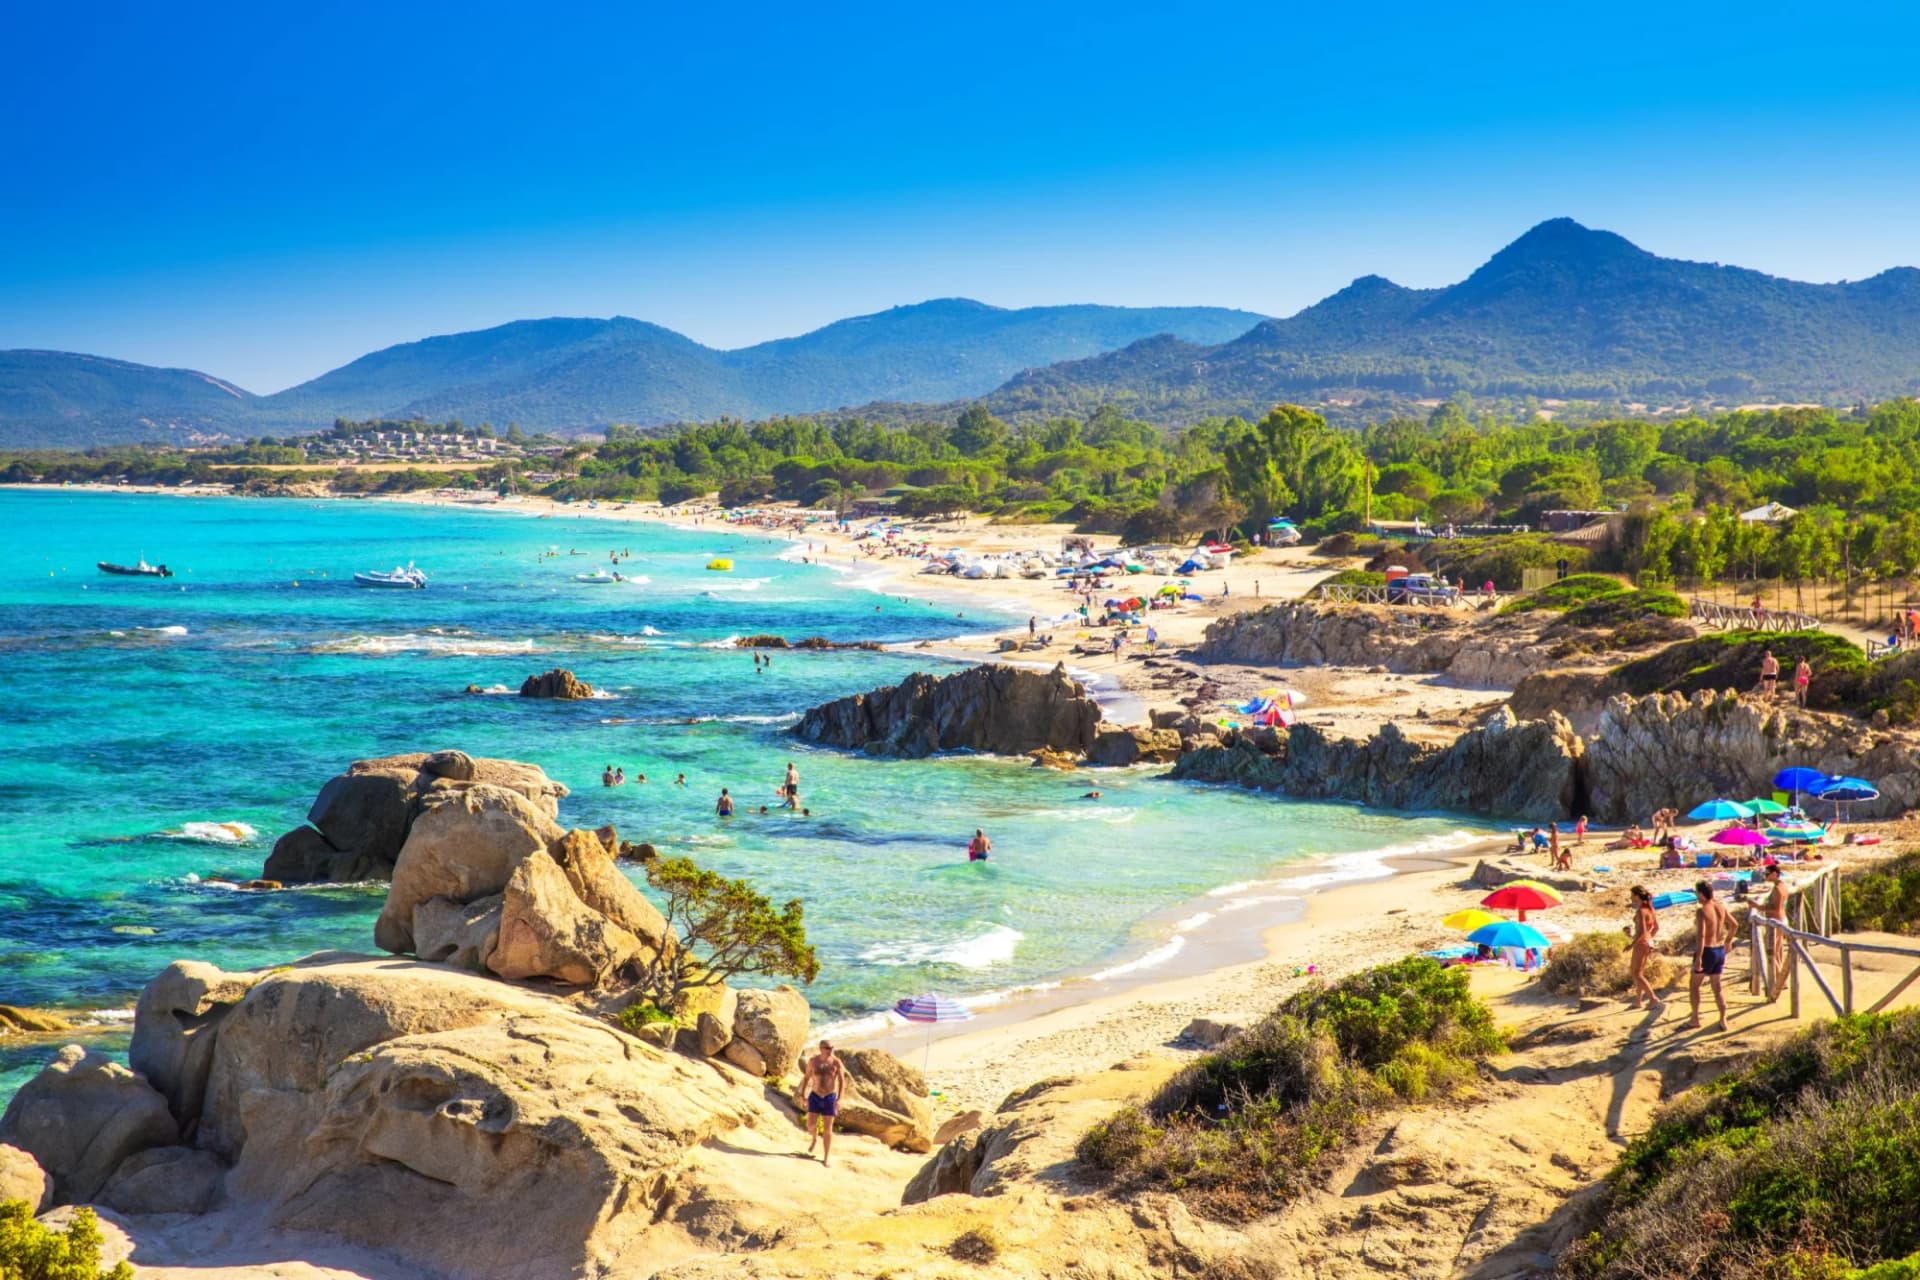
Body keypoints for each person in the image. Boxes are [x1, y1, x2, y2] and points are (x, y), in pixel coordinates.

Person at [1689, 881, 1734, 1032]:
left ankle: (1695, 1018)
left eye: (1697, 893)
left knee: (1694, 986)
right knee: (1717, 988)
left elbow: (1701, 936)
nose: (1696, 896)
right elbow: (1734, 924)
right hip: (1719, 950)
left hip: (1707, 950)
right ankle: (1723, 1018)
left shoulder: (1702, 911)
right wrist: (1728, 941)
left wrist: (1699, 958)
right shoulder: (1720, 906)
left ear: (1701, 894)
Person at [801, 1040, 845, 1165]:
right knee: (810, 1125)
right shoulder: (813, 1061)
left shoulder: (836, 1062)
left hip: (829, 1097)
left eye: (832, 1047)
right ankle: (814, 1138)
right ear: (821, 1048)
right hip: (815, 1096)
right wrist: (802, 1095)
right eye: (827, 1047)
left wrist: (839, 1099)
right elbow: (806, 1078)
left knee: (828, 1129)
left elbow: (842, 1081)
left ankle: (826, 1157)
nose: (830, 1049)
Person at [1628, 886, 1663, 1009]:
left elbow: (1642, 931)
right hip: (1647, 942)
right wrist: (1650, 939)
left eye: (1632, 895)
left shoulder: (1641, 911)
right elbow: (1656, 927)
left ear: (1637, 895)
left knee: (1636, 973)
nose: (1631, 897)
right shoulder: (1650, 909)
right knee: (1639, 972)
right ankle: (1638, 1001)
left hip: (1641, 943)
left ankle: (1653, 999)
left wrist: (1631, 944)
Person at [1761, 863, 1789, 998]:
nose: (1766, 876)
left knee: (1772, 951)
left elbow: (1776, 909)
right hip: (1781, 920)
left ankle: (1780, 981)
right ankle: (1781, 980)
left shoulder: (1778, 889)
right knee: (1777, 952)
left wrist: (1758, 906)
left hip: (1777, 921)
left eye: (1767, 874)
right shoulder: (1782, 886)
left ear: (1774, 874)